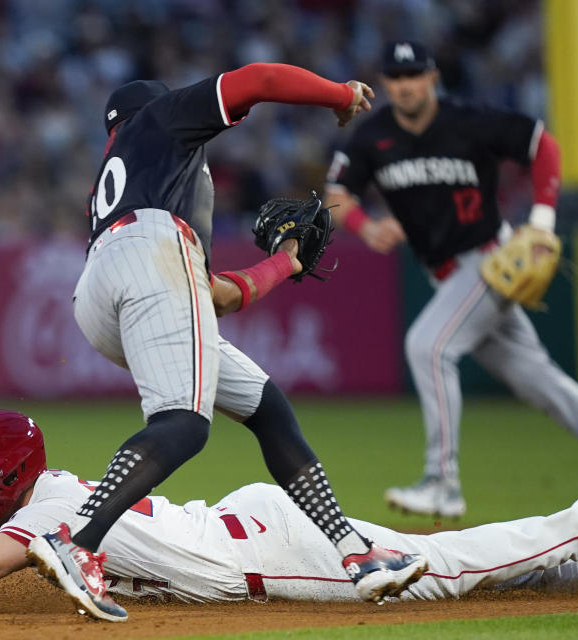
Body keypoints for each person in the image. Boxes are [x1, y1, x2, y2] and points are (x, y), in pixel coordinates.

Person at [24, 63, 430, 622]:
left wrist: (284, 264)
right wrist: (337, 95)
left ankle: (355, 553)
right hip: (150, 256)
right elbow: (259, 79)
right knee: (183, 423)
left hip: (101, 290)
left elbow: (211, 296)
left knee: (266, 406)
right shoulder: (162, 121)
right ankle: (78, 541)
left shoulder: (129, 177)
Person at [0, 410, 578, 618]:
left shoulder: (44, 513)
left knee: (431, 577)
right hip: (239, 522)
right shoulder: (39, 500)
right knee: (424, 557)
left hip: (260, 551)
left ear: (10, 473)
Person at [322, 41, 578, 523]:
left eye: (414, 74)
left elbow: (542, 144)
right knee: (540, 382)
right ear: (386, 82)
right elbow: (336, 193)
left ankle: (443, 481)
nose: (405, 85)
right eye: (396, 77)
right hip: (445, 276)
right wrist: (365, 226)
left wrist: (542, 222)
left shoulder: (469, 121)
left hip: (490, 261)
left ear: (433, 77)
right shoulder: (372, 137)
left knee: (428, 345)